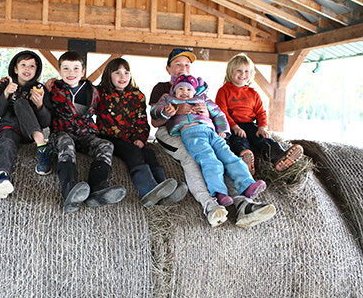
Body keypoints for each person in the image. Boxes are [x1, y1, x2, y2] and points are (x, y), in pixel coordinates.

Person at [150, 48, 276, 228]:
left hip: (202, 129)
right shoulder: (163, 89)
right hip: (173, 131)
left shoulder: (197, 90)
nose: (183, 68)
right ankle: (209, 205)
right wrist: (176, 110)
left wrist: (208, 115)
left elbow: (216, 114)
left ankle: (242, 203)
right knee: (194, 159)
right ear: (168, 68)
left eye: (187, 65)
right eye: (178, 64)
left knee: (220, 157)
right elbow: (155, 121)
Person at [151, 73, 267, 208]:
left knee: (229, 157)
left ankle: (247, 184)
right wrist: (169, 111)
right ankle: (219, 193)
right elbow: (155, 112)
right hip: (191, 134)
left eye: (189, 89)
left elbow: (218, 113)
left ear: (194, 91)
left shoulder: (202, 100)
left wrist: (222, 129)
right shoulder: (169, 100)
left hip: (211, 132)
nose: (184, 92)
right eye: (181, 89)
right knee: (210, 160)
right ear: (174, 90)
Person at [95, 57, 186, 207]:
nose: (123, 76)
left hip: (131, 138)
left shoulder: (137, 96)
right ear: (108, 75)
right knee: (133, 152)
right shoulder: (99, 93)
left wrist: (141, 138)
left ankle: (164, 189)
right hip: (109, 138)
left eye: (126, 72)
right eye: (117, 72)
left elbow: (142, 120)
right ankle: (147, 190)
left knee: (149, 153)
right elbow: (81, 90)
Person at [46, 51, 126, 213]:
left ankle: (97, 189)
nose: (71, 73)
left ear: (83, 72)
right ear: (60, 71)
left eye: (76, 68)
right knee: (66, 143)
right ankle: (69, 190)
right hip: (61, 133)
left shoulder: (93, 91)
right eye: (66, 69)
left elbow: (108, 107)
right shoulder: (53, 89)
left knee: (105, 145)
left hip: (85, 134)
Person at [215, 53, 303, 175]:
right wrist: (234, 127)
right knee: (239, 141)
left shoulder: (253, 93)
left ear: (251, 74)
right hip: (231, 126)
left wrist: (262, 127)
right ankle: (245, 159)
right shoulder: (223, 91)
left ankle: (279, 157)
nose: (243, 74)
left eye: (247, 71)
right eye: (239, 70)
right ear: (230, 72)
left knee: (263, 139)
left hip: (250, 125)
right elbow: (221, 113)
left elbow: (261, 112)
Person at [0, 50, 52, 198]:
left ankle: (41, 146)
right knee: (5, 144)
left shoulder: (40, 89)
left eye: (32, 66)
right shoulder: (4, 86)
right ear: (15, 69)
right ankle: (1, 177)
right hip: (9, 128)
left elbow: (46, 122)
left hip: (29, 131)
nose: (27, 69)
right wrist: (5, 94)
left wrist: (40, 105)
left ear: (37, 70)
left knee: (20, 103)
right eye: (23, 65)